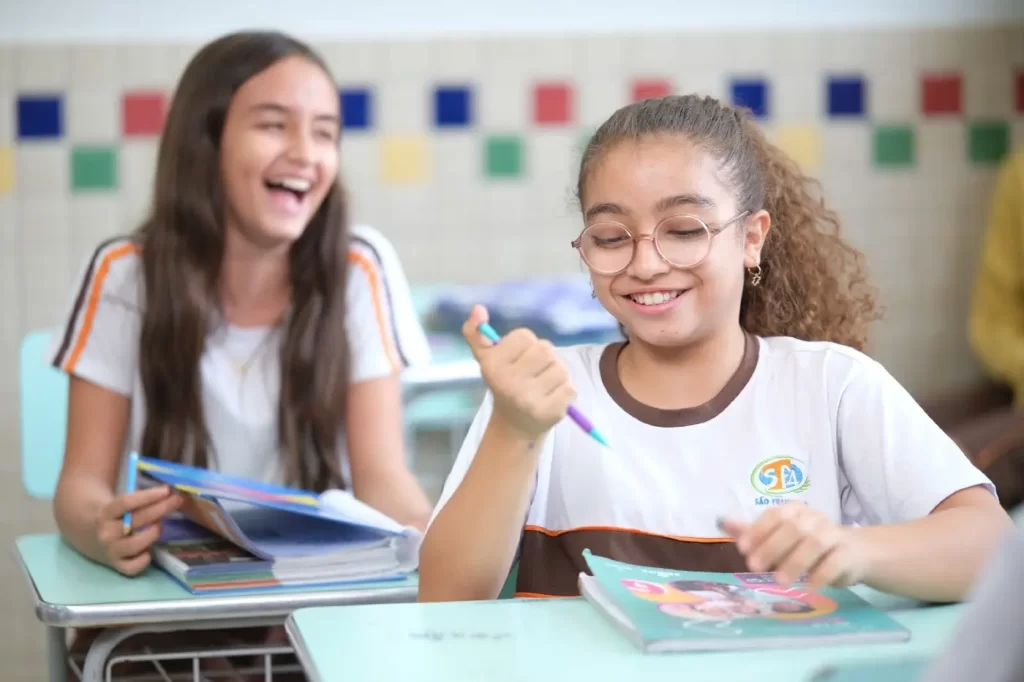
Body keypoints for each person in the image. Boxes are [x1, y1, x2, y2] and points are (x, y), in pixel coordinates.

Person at [418, 94, 1012, 604]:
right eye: (610, 237)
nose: (646, 264)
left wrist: (853, 548)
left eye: (683, 230)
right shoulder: (544, 397)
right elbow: (445, 599)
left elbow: (993, 548)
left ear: (751, 238)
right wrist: (513, 428)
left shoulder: (832, 386)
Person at [50, 30, 433, 679]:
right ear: (207, 141)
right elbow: (78, 489)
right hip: (167, 610)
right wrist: (102, 526)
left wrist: (432, 535)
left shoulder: (358, 267)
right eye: (273, 125)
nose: (305, 154)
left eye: (325, 132)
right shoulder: (125, 275)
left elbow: (383, 479)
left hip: (316, 609)